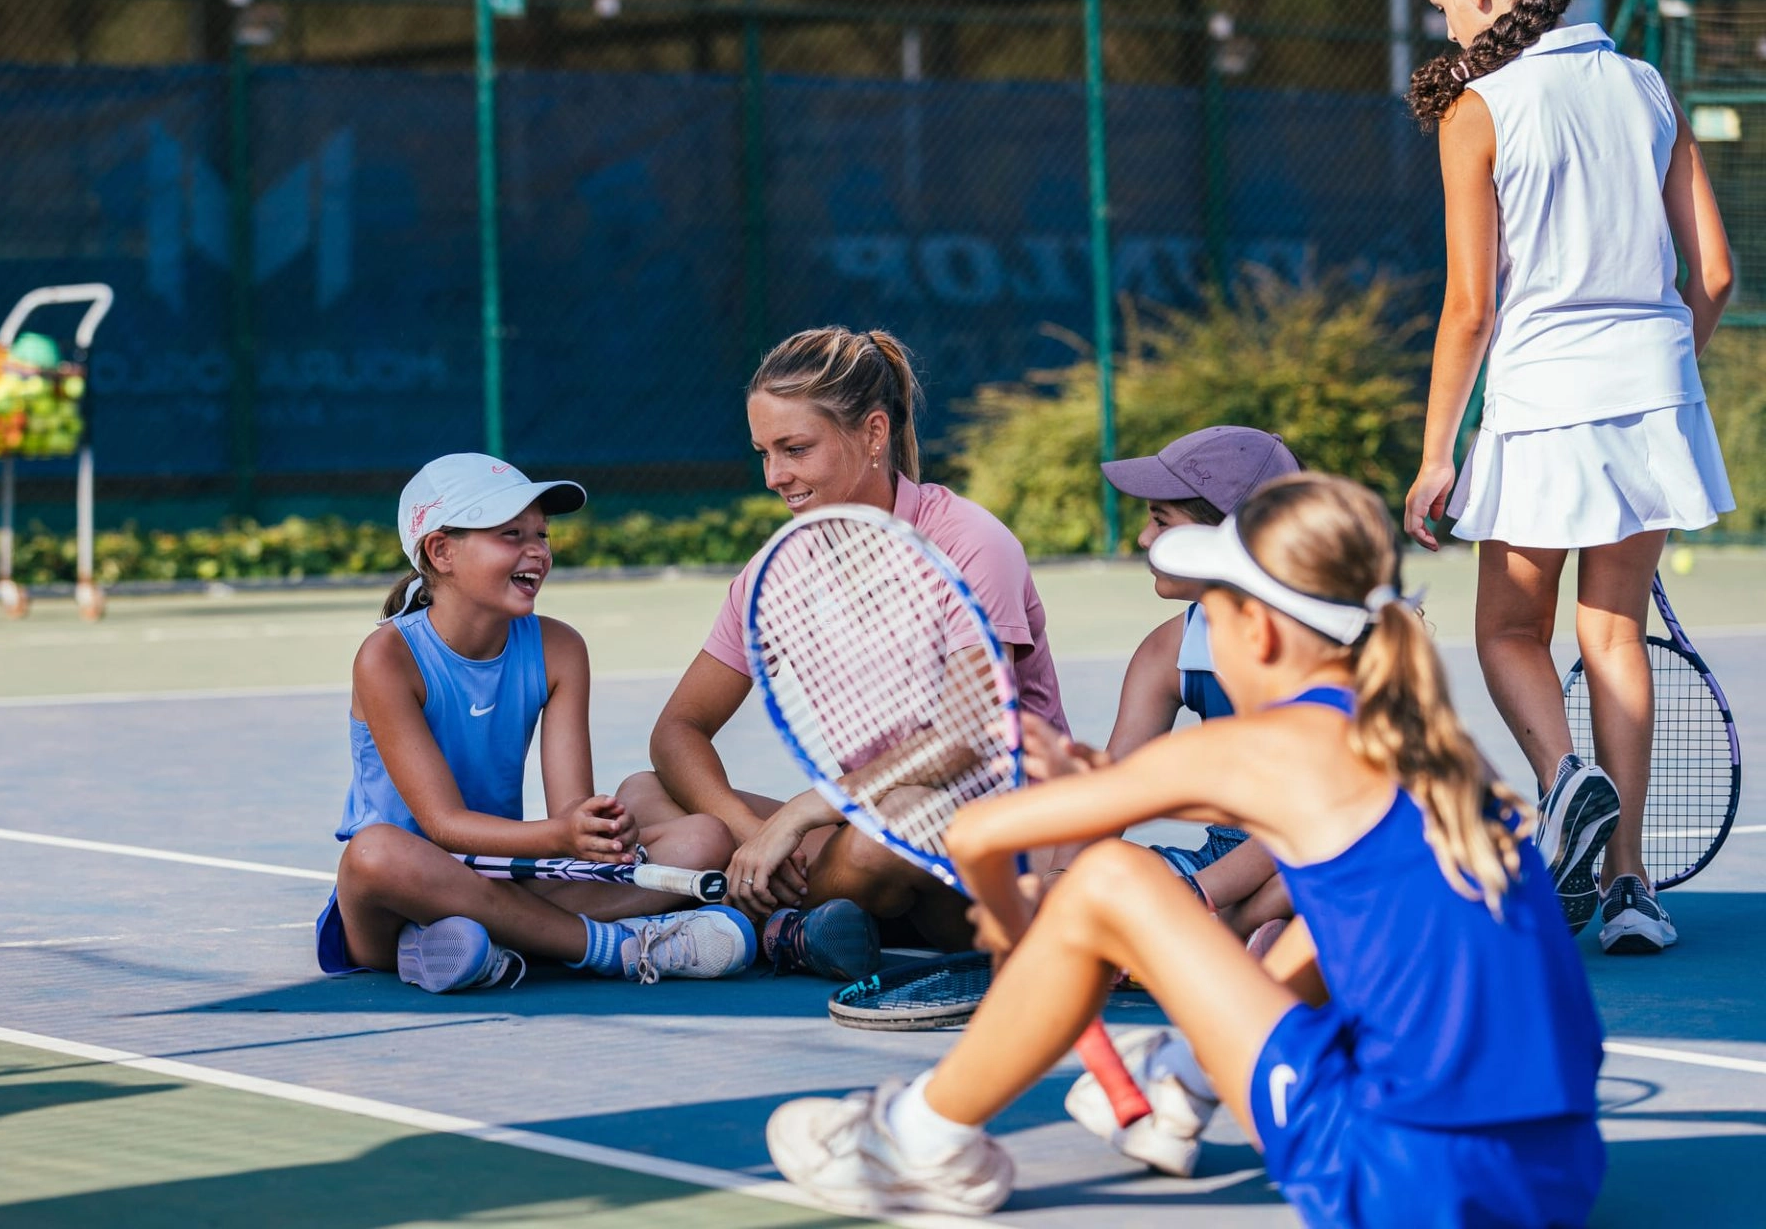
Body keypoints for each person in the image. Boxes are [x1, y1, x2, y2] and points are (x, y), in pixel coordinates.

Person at [764, 473, 1606, 1226]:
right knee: (1332, 908)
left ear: (1259, 633)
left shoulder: (1263, 748)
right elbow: (1311, 890)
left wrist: (1012, 906)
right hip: (1556, 1177)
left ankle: (915, 1144)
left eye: (1213, 611)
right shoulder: (1434, 750)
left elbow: (981, 833)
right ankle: (1182, 1077)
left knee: (1105, 879)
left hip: (1399, 1182)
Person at [1401, 0, 1735, 953]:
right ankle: (1628, 884)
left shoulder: (1480, 108)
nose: (1446, 32)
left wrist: (1435, 453)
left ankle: (1563, 779)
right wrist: (1662, 368)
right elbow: (1710, 274)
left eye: (1439, 9)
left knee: (1508, 632)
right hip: (1654, 397)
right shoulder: (1646, 85)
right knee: (1613, 636)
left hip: (1543, 402)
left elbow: (1470, 308)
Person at [617, 326, 1071, 980]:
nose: (776, 477)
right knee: (643, 792)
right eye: (764, 453)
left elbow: (967, 736)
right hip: (860, 830)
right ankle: (803, 920)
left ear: (873, 434)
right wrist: (751, 833)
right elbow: (678, 730)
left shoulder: (970, 541)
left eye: (796, 449)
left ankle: (771, 925)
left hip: (987, 852)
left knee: (902, 824)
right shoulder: (778, 569)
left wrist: (801, 814)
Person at [316, 453, 756, 992]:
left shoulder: (560, 648)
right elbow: (443, 825)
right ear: (441, 550)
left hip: (504, 876)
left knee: (704, 839)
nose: (537, 551)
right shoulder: (386, 658)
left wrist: (595, 830)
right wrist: (560, 836)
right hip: (394, 894)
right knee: (373, 851)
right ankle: (610, 948)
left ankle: (476, 947)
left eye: (542, 535)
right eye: (510, 534)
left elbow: (569, 810)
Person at [1041, 425, 1302, 944]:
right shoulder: (1170, 650)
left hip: (1315, 840)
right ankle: (1247, 935)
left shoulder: (1315, 652)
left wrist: (1198, 897)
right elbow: (1112, 794)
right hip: (1225, 858)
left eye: (1162, 521)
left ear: (1231, 537)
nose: (1143, 539)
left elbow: (1306, 818)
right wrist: (1059, 887)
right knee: (1078, 873)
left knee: (1322, 872)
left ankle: (1242, 930)